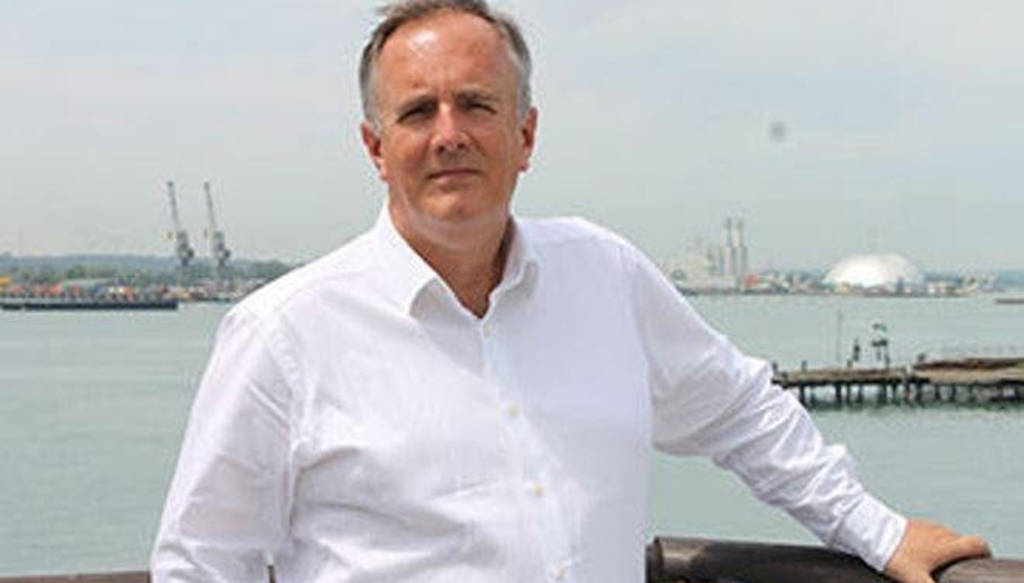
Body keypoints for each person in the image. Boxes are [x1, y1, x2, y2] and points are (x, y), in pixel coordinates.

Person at [151, 1, 989, 581]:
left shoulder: (605, 275)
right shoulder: (284, 333)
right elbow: (203, 562)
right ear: (375, 147)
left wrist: (876, 530)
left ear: (526, 134)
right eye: (418, 112)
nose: (449, 135)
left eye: (476, 105)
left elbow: (742, 410)